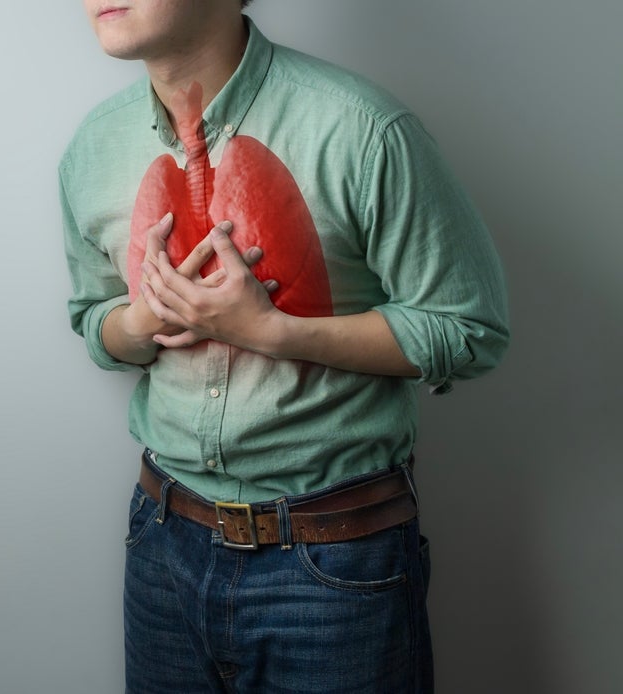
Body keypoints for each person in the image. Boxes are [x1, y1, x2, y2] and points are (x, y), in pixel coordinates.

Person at [59, 1, 509, 692]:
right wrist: (141, 321)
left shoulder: (361, 127)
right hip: (162, 543)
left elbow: (468, 329)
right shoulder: (93, 148)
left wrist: (275, 333)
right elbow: (95, 321)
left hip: (332, 561)